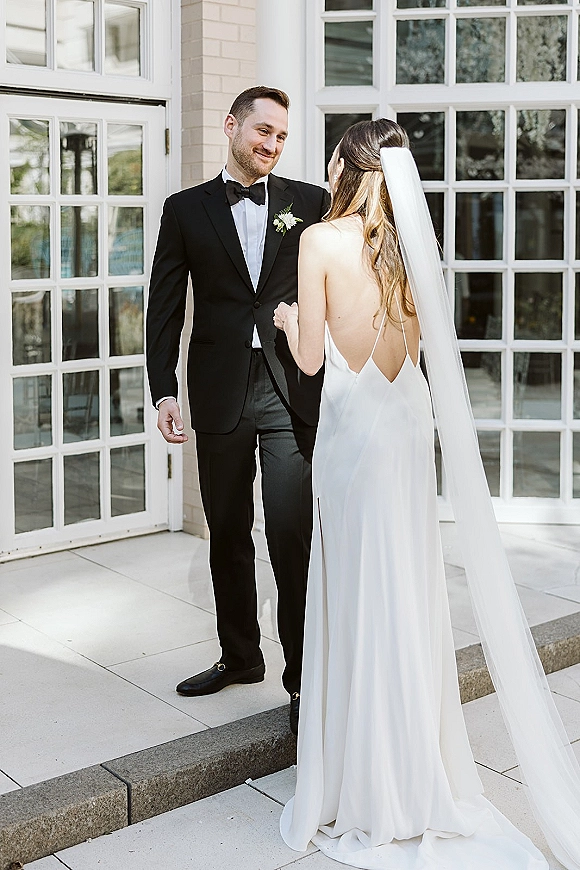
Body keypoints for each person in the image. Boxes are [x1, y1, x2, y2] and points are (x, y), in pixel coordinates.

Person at [273, 119, 580, 868]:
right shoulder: (417, 245)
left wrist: (285, 319)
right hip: (407, 432)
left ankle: (362, 779)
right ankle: (418, 767)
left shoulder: (319, 241)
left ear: (347, 165)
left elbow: (311, 361)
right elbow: (422, 349)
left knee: (355, 590)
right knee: (407, 591)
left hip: (352, 438)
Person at [146, 86, 330, 735]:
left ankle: (306, 680)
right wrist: (163, 389)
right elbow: (164, 306)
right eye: (263, 132)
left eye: (281, 137)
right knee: (225, 528)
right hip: (220, 388)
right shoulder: (185, 210)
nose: (272, 146)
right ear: (231, 126)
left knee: (289, 533)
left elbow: (341, 280)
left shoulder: (311, 202)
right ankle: (240, 656)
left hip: (288, 388)